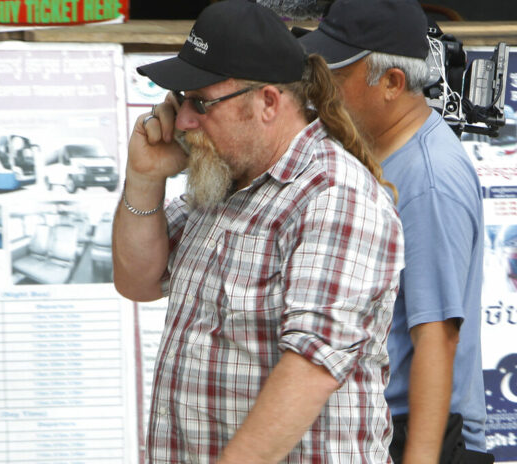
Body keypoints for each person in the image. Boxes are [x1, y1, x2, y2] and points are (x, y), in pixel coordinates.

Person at [112, 0, 404, 461]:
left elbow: (311, 366)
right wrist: (145, 177)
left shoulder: (332, 195)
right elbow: (138, 280)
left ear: (268, 101)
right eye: (180, 101)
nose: (184, 121)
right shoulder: (226, 177)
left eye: (200, 102)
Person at [299, 0, 490, 462]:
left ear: (392, 82)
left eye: (336, 75)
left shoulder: (428, 180)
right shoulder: (367, 147)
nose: (319, 88)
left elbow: (437, 337)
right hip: (378, 428)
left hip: (417, 435)